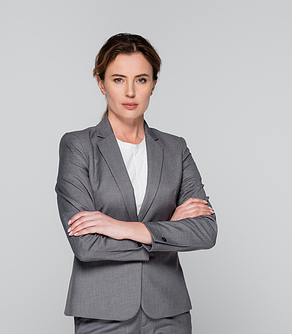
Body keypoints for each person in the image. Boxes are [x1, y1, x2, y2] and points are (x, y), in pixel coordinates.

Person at [55, 33, 217, 334]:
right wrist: (166, 230)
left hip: (169, 312)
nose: (130, 91)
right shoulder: (78, 146)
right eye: (118, 79)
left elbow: (206, 231)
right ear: (101, 83)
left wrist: (119, 227)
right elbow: (85, 245)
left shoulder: (175, 148)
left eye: (141, 80)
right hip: (103, 313)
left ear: (153, 84)